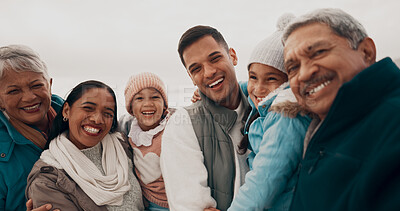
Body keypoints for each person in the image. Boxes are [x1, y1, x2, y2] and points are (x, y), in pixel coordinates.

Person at [282, 8, 400, 210]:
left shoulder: (392, 124)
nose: (303, 74)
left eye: (318, 52)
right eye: (292, 67)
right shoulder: (323, 127)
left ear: (366, 52)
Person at [160, 25, 250, 211]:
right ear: (191, 77)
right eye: (196, 68)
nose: (208, 73)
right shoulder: (183, 124)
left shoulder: (267, 109)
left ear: (232, 56)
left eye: (215, 58)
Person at [226, 14, 311, 211]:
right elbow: (249, 87)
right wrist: (208, 93)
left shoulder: (286, 115)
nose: (258, 88)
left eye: (271, 78)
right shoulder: (268, 101)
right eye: (253, 76)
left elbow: (265, 180)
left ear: (289, 81)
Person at [25, 80, 144, 210]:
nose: (97, 119)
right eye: (88, 108)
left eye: (107, 113)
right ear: (66, 110)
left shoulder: (122, 145)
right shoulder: (47, 180)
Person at [0, 45, 63, 211]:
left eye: (36, 86)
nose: (29, 97)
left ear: (49, 85)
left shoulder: (79, 123)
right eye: (14, 91)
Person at [119, 72, 174, 210]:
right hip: (149, 202)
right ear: (130, 108)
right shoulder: (127, 130)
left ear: (165, 105)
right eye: (139, 98)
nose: (148, 103)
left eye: (155, 97)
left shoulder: (174, 126)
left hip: (177, 200)